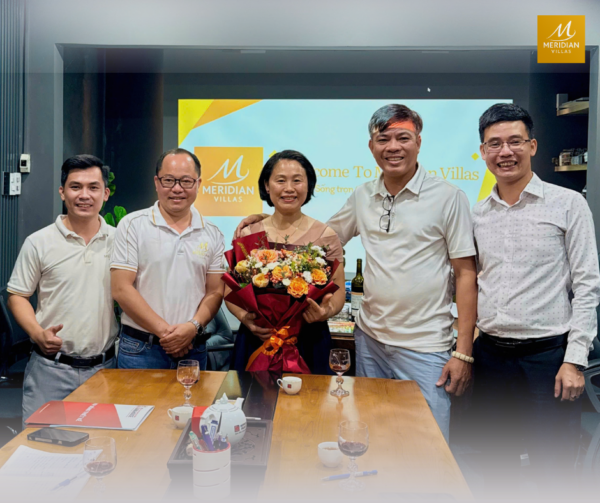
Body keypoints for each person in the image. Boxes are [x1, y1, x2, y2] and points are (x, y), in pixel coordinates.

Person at [235, 106, 478, 441]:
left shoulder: (449, 197)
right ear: (371, 146)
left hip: (425, 346)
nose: (393, 147)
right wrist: (272, 218)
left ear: (419, 142)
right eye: (384, 139)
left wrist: (463, 352)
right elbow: (317, 240)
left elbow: (466, 275)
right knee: (371, 437)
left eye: (403, 138)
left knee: (427, 442)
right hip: (370, 342)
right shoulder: (363, 195)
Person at [471, 103, 600, 489]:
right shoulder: (477, 214)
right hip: (491, 359)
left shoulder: (568, 204)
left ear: (532, 145)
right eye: (495, 144)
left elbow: (588, 286)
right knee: (495, 467)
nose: (505, 152)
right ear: (483, 152)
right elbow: (469, 282)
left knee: (552, 469)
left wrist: (574, 361)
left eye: (515, 141)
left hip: (549, 360)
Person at [7, 155, 119, 422]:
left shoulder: (120, 241)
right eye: (75, 186)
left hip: (105, 370)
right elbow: (18, 295)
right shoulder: (39, 242)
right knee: (41, 443)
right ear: (62, 192)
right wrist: (37, 333)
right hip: (50, 370)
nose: (84, 195)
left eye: (93, 187)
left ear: (105, 194)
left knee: (102, 443)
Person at [228, 150, 346, 374]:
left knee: (311, 397)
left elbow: (338, 290)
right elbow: (230, 289)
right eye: (280, 180)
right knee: (252, 397)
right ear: (267, 185)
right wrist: (245, 319)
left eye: (297, 180)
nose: (289, 188)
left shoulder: (325, 235)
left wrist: (326, 311)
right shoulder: (249, 233)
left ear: (309, 186)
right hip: (258, 338)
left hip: (308, 340)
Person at [111, 148, 225, 370]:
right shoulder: (133, 225)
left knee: (192, 396)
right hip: (140, 350)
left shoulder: (212, 233)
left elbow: (215, 291)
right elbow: (121, 289)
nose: (177, 188)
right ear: (157, 182)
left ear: (198, 183)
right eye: (169, 180)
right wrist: (169, 335)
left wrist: (192, 327)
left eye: (186, 181)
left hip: (193, 348)